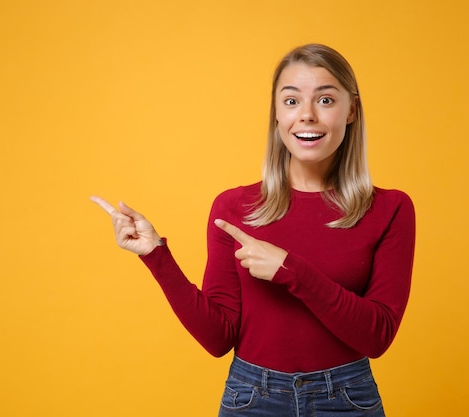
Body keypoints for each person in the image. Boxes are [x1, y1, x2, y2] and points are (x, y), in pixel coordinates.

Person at [91, 43, 415, 417]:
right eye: (291, 101)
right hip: (252, 399)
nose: (306, 116)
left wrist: (290, 271)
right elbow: (218, 338)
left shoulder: (391, 209)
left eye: (325, 100)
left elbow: (377, 337)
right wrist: (155, 256)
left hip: (345, 400)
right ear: (277, 114)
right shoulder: (235, 208)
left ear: (351, 111)